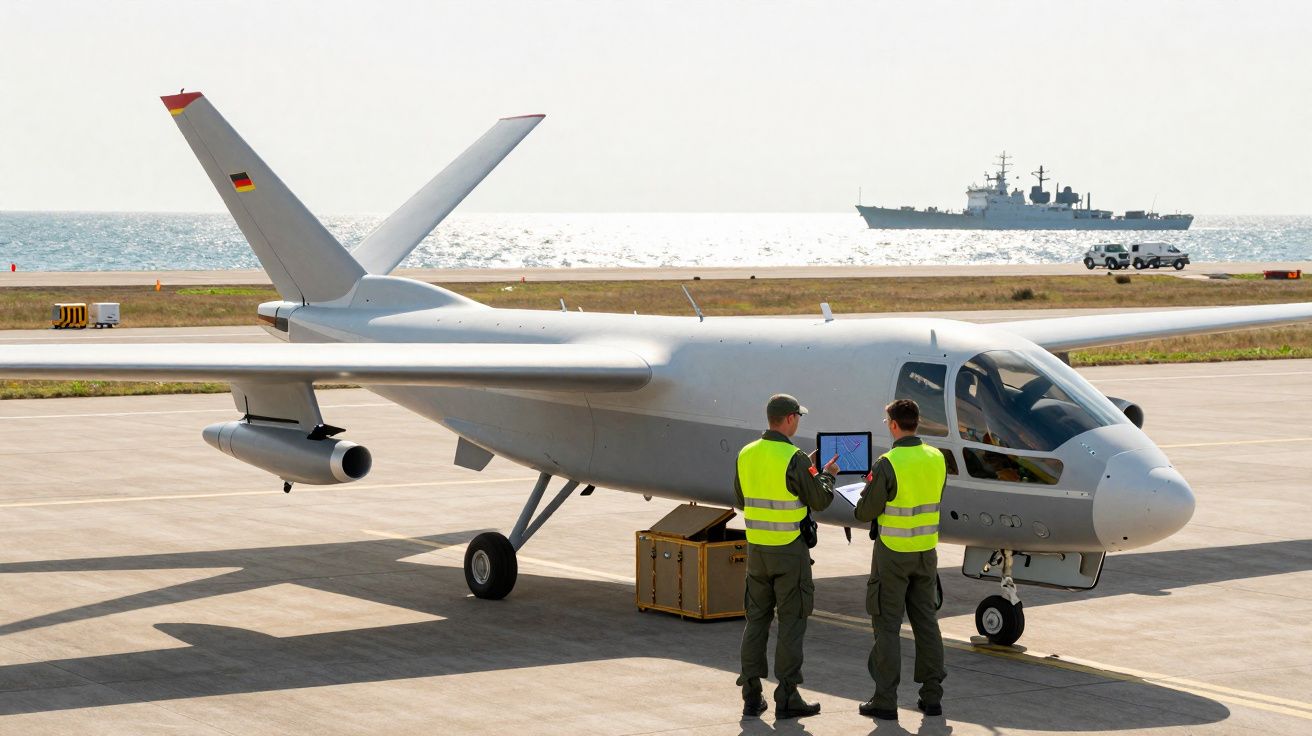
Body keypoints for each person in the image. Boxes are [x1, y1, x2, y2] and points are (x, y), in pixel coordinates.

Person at [734, 393, 838, 720]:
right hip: (789, 552)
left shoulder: (747, 453)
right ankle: (788, 696)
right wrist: (827, 474)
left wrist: (802, 472)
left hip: (758, 551)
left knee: (756, 622)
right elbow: (819, 499)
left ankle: (752, 696)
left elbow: (741, 498)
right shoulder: (794, 458)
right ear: (790, 418)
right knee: (791, 624)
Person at [854, 399, 947, 721]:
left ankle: (885, 700)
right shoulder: (937, 458)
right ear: (916, 422)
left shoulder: (887, 462)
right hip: (925, 552)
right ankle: (932, 696)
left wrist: (865, 493)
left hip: (893, 553)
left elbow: (866, 512)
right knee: (926, 623)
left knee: (887, 626)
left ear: (893, 425)